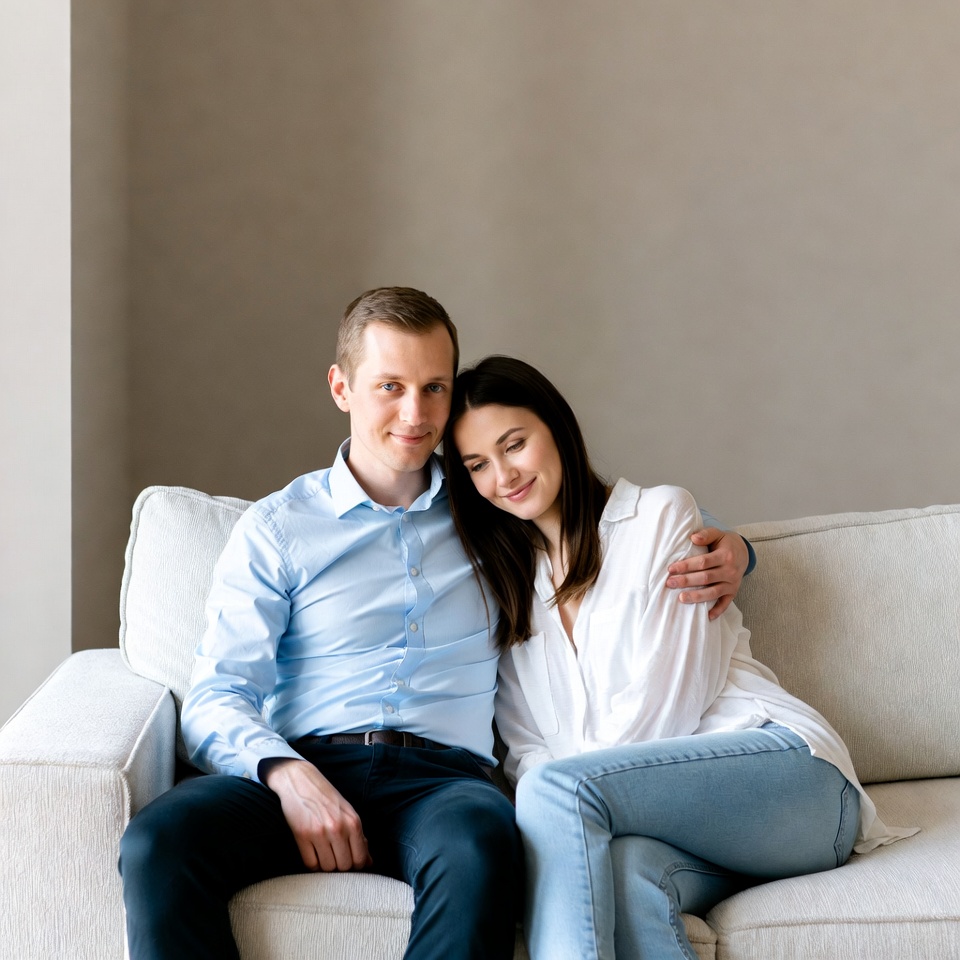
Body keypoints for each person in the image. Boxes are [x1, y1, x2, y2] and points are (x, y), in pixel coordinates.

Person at [119, 288, 751, 960]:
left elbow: (621, 528)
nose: (415, 414)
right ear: (342, 387)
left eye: (434, 388)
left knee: (482, 842)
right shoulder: (277, 529)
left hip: (444, 785)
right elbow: (216, 694)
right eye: (389, 386)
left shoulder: (491, 501)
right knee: (159, 841)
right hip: (307, 765)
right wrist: (284, 771)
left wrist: (740, 551)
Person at [442, 355, 913, 960]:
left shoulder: (660, 517)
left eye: (514, 444)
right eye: (478, 465)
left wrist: (574, 793)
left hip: (795, 779)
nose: (503, 475)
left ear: (557, 428)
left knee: (554, 793)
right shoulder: (508, 589)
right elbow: (527, 747)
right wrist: (573, 796)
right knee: (624, 871)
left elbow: (671, 700)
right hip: (675, 828)